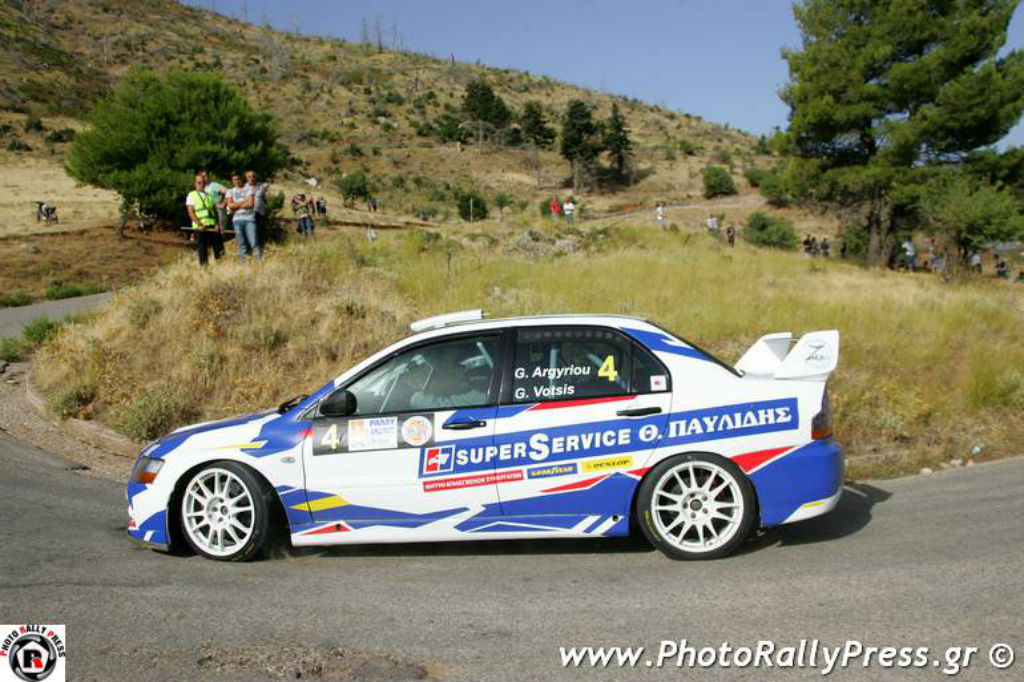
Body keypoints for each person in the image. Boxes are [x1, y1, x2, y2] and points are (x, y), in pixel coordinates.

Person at [185, 173, 224, 266]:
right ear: (195, 183)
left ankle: (221, 265)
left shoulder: (209, 195)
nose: (201, 184)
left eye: (203, 182)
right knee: (203, 249)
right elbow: (191, 212)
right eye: (199, 182)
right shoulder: (191, 195)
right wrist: (199, 224)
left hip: (212, 225)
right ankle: (204, 268)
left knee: (219, 247)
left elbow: (214, 211)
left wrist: (217, 224)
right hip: (200, 227)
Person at [226, 172, 260, 262]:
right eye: (234, 180)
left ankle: (259, 263)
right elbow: (230, 206)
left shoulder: (249, 190)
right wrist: (244, 201)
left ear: (241, 179)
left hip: (249, 219)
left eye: (238, 179)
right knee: (241, 244)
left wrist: (236, 205)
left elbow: (250, 204)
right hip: (237, 220)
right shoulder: (230, 191)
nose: (236, 181)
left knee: (254, 243)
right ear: (232, 181)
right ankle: (243, 265)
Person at [245, 170, 267, 244]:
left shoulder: (261, 187)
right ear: (246, 178)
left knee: (258, 230)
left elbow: (264, 199)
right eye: (249, 177)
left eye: (253, 176)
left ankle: (258, 245)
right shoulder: (244, 187)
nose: (252, 178)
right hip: (248, 212)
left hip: (259, 212)